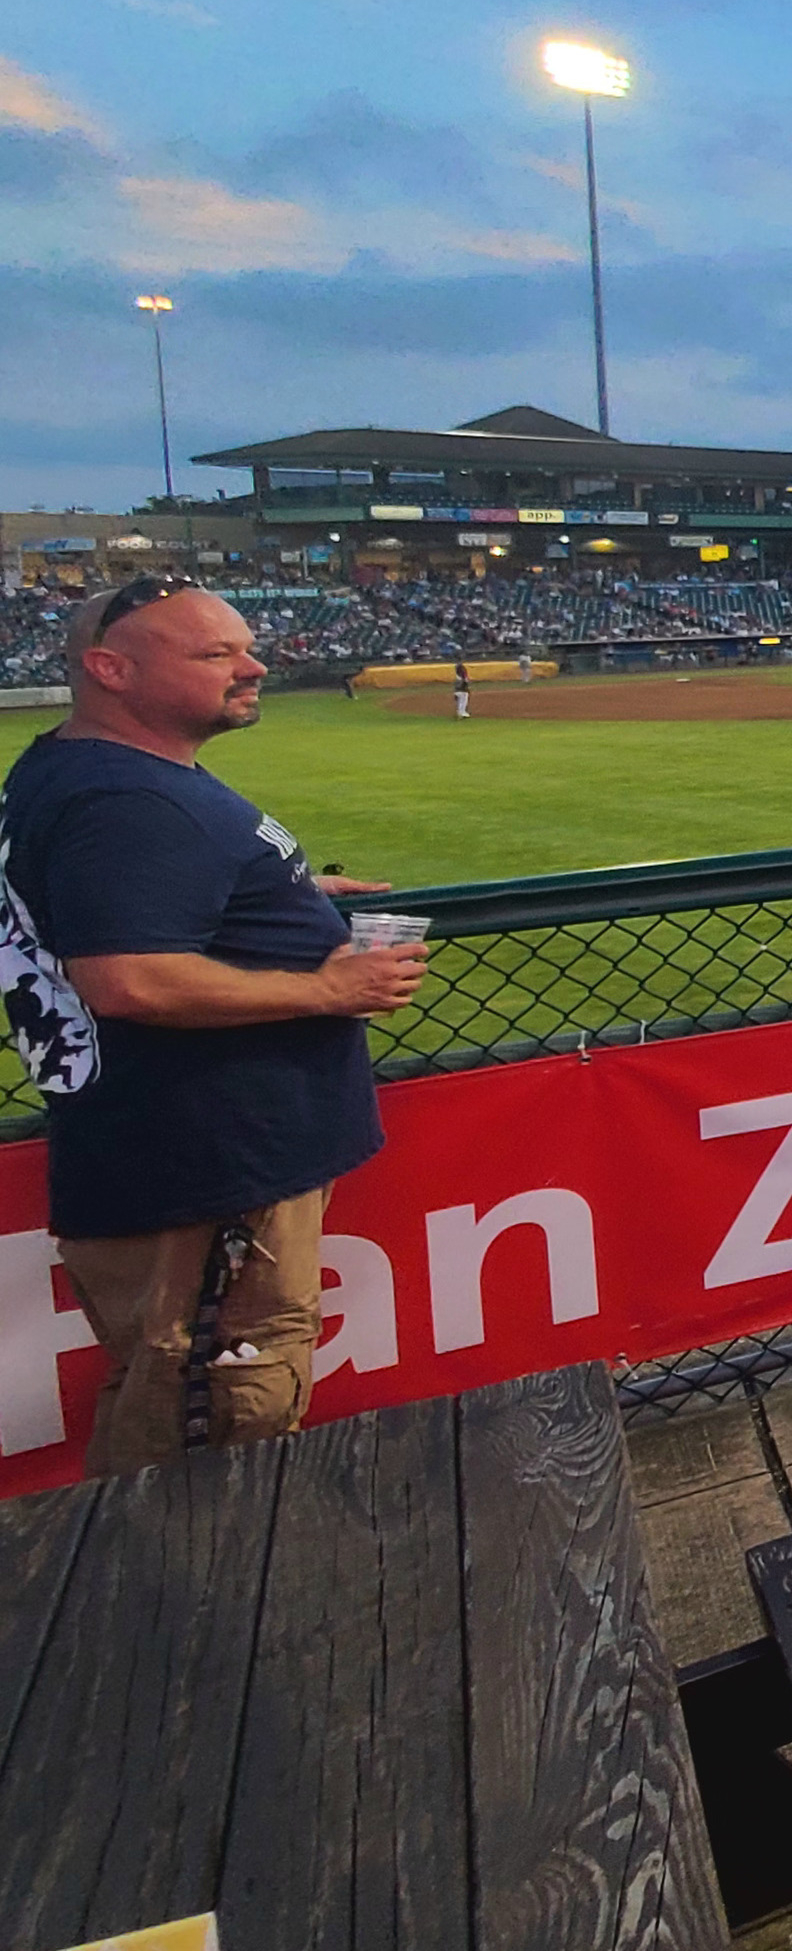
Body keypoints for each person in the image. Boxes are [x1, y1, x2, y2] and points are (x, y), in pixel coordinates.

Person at [0, 578, 422, 1475]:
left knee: (176, 1384)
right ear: (111, 669)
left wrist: (281, 899)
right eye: (215, 654)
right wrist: (328, 988)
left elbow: (126, 908)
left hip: (186, 1159)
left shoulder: (85, 769)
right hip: (205, 1166)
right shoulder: (126, 802)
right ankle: (195, 1604)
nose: (253, 666)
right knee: (217, 1404)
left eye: (244, 646)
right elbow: (130, 978)